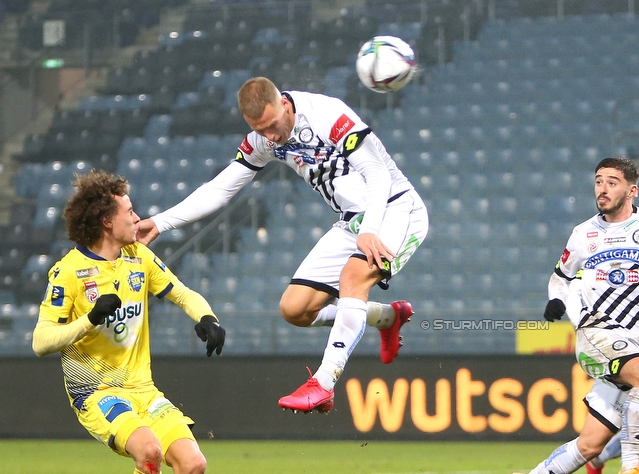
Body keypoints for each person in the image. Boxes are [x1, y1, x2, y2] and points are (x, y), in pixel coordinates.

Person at [136, 77, 427, 412]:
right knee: (295, 309)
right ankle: (388, 317)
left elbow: (377, 173)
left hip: (394, 209)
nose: (271, 136)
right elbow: (221, 189)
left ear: (285, 105)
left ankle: (324, 382)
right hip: (352, 222)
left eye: (273, 125)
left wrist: (371, 229)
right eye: (261, 130)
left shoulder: (328, 114)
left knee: (353, 277)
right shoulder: (263, 139)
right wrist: (160, 222)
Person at [32, 170, 226, 474]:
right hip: (96, 391)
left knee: (193, 465)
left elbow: (182, 292)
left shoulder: (138, 256)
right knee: (150, 453)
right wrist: (90, 319)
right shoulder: (68, 272)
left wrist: (206, 317)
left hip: (142, 388)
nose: (138, 218)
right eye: (130, 211)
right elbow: (41, 341)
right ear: (106, 220)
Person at [494, 158, 639, 474]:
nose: (603, 188)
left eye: (612, 182)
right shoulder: (582, 233)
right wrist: (556, 299)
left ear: (632, 191)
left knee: (589, 446)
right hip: (595, 333)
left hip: (636, 341)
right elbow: (560, 278)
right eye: (599, 181)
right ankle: (631, 470)